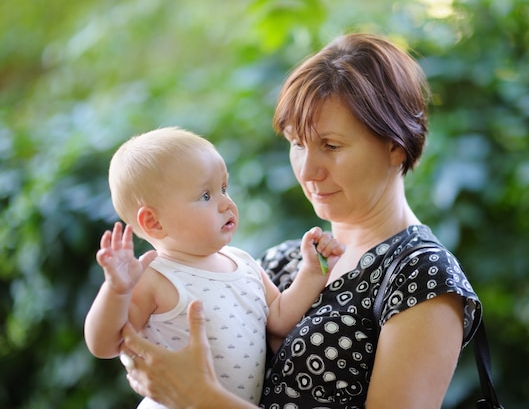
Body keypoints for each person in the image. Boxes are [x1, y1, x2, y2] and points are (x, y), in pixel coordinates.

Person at [120, 33, 482, 408]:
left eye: (331, 146)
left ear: (395, 145)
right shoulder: (283, 262)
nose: (308, 170)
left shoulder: (422, 277)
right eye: (297, 143)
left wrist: (202, 398)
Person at [84, 127, 344, 408]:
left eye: (223, 188)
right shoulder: (155, 278)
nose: (226, 204)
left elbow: (279, 318)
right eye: (206, 196)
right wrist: (117, 290)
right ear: (154, 223)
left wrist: (312, 273)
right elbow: (104, 345)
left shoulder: (242, 262)